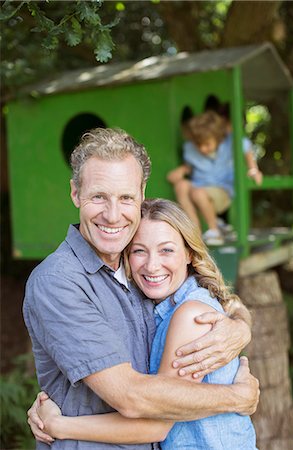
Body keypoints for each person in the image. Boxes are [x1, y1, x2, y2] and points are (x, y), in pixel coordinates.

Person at [24, 128, 258, 449]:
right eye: (98, 196)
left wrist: (241, 328)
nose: (112, 214)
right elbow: (132, 398)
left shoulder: (138, 274)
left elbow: (216, 299)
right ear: (75, 193)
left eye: (125, 198)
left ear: (141, 194)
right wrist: (236, 397)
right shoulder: (59, 282)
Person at [167, 111, 263, 245]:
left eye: (206, 144)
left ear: (218, 138)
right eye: (198, 144)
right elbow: (190, 165)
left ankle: (214, 231)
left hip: (222, 190)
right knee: (181, 186)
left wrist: (253, 169)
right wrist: (182, 170)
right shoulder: (190, 148)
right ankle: (195, 232)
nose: (202, 149)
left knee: (198, 193)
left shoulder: (231, 143)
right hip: (198, 185)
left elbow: (246, 149)